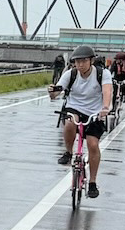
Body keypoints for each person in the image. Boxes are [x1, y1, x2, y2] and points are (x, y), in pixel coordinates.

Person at [47, 44, 115, 198]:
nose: (80, 65)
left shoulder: (102, 73)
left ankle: (92, 182)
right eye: (77, 62)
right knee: (70, 122)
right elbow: (57, 93)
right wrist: (52, 92)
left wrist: (105, 108)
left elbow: (107, 91)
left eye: (83, 61)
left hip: (95, 112)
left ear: (91, 60)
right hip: (75, 107)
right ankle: (69, 152)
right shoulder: (70, 74)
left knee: (92, 144)